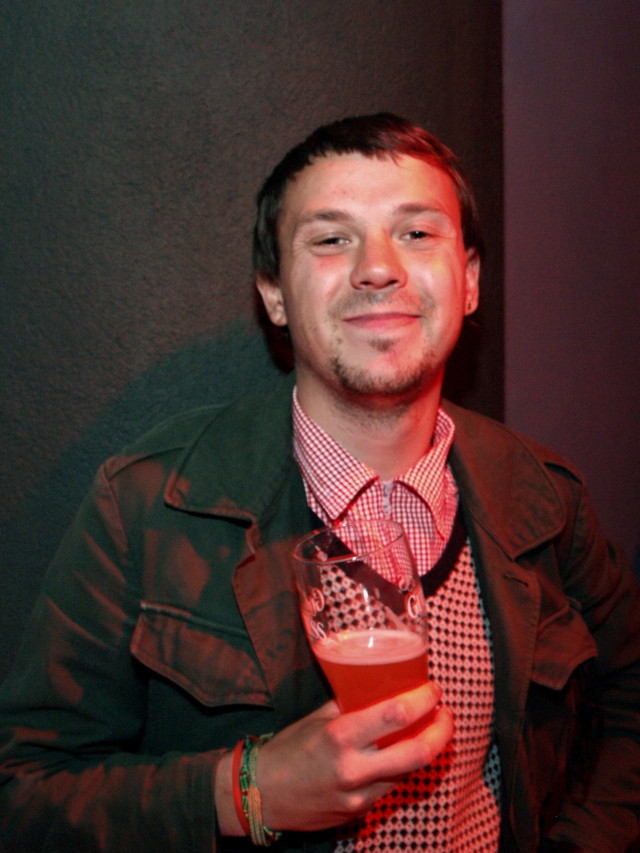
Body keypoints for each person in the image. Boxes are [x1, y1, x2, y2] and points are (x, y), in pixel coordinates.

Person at [0, 113, 638, 853]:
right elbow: (23, 793)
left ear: (469, 282)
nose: (378, 268)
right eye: (332, 239)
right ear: (273, 293)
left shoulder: (546, 497)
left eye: (416, 232)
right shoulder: (148, 503)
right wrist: (249, 791)